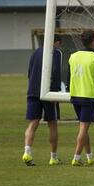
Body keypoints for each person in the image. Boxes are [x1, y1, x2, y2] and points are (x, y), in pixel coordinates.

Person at [68, 30, 94, 166]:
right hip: (88, 97)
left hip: (75, 95)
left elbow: (68, 77)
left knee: (83, 127)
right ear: (93, 40)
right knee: (83, 129)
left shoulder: (73, 56)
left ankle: (89, 156)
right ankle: (76, 157)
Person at [22, 35, 63, 166]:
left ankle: (27, 152)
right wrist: (55, 92)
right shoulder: (56, 53)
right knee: (52, 123)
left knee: (33, 123)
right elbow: (56, 72)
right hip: (48, 92)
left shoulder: (35, 53)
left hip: (33, 90)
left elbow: (29, 72)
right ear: (56, 42)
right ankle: (53, 157)